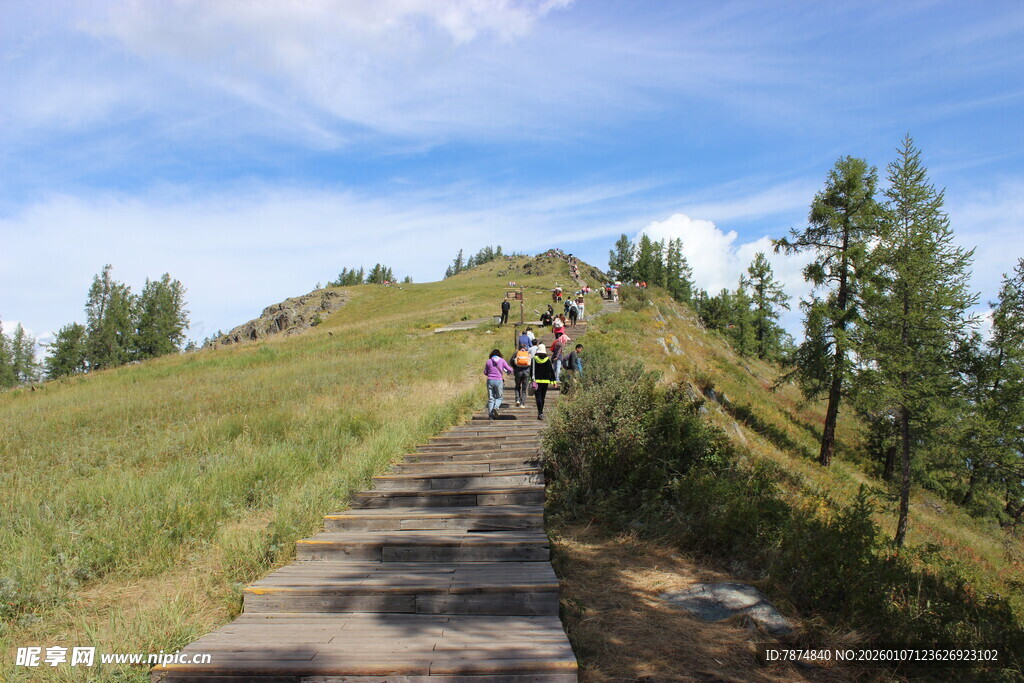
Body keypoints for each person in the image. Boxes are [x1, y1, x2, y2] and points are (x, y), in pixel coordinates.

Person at [484, 349, 513, 420]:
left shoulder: (488, 361)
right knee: (499, 397)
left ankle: (490, 416)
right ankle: (496, 408)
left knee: (491, 398)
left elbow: (485, 372)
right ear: (499, 354)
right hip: (498, 380)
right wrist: (509, 371)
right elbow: (509, 369)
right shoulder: (502, 361)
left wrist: (490, 373)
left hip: (490, 380)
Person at [531, 343, 556, 420]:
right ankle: (541, 412)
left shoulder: (534, 359)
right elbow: (551, 371)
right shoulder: (547, 360)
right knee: (543, 397)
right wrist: (553, 381)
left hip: (536, 381)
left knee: (538, 397)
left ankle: (540, 412)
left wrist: (530, 380)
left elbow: (531, 370)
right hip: (545, 381)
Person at [512, 343, 532, 407]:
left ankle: (517, 400)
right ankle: (522, 403)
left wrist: (515, 368)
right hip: (526, 372)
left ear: (519, 347)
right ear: (525, 347)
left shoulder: (516, 353)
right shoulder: (528, 353)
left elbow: (511, 361)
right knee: (524, 388)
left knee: (517, 386)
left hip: (518, 372)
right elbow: (530, 363)